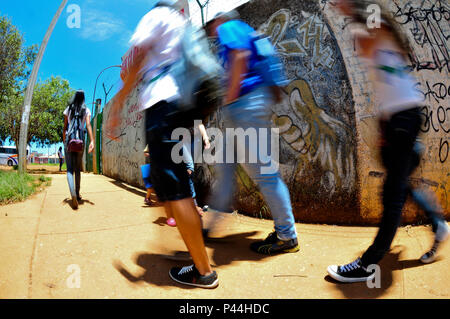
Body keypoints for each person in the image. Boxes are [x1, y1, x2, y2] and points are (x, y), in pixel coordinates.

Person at [327, 0, 449, 283]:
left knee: (392, 197)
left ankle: (367, 264)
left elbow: (367, 38)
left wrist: (352, 12)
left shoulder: (374, 29)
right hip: (398, 119)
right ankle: (437, 223)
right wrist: (383, 126)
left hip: (404, 119)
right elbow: (386, 81)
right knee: (400, 184)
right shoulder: (382, 38)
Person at [107, 0, 218, 289]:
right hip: (180, 104)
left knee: (175, 187)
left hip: (162, 104)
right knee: (169, 183)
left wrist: (118, 102)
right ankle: (188, 246)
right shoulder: (181, 24)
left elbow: (139, 55)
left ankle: (203, 271)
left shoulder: (155, 16)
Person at [205, 12, 299, 255]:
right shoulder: (248, 31)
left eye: (211, 24)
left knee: (264, 172)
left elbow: (240, 55)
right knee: (226, 167)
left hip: (244, 105)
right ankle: (212, 225)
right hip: (249, 104)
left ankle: (287, 235)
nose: (211, 30)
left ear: (218, 20)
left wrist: (230, 96)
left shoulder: (230, 27)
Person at [63, 90, 94, 209]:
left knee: (69, 170)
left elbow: (65, 127)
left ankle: (73, 195)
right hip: (81, 141)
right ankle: (78, 193)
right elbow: (88, 125)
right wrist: (92, 141)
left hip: (69, 141)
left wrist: (64, 141)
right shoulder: (86, 110)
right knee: (77, 169)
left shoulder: (68, 109)